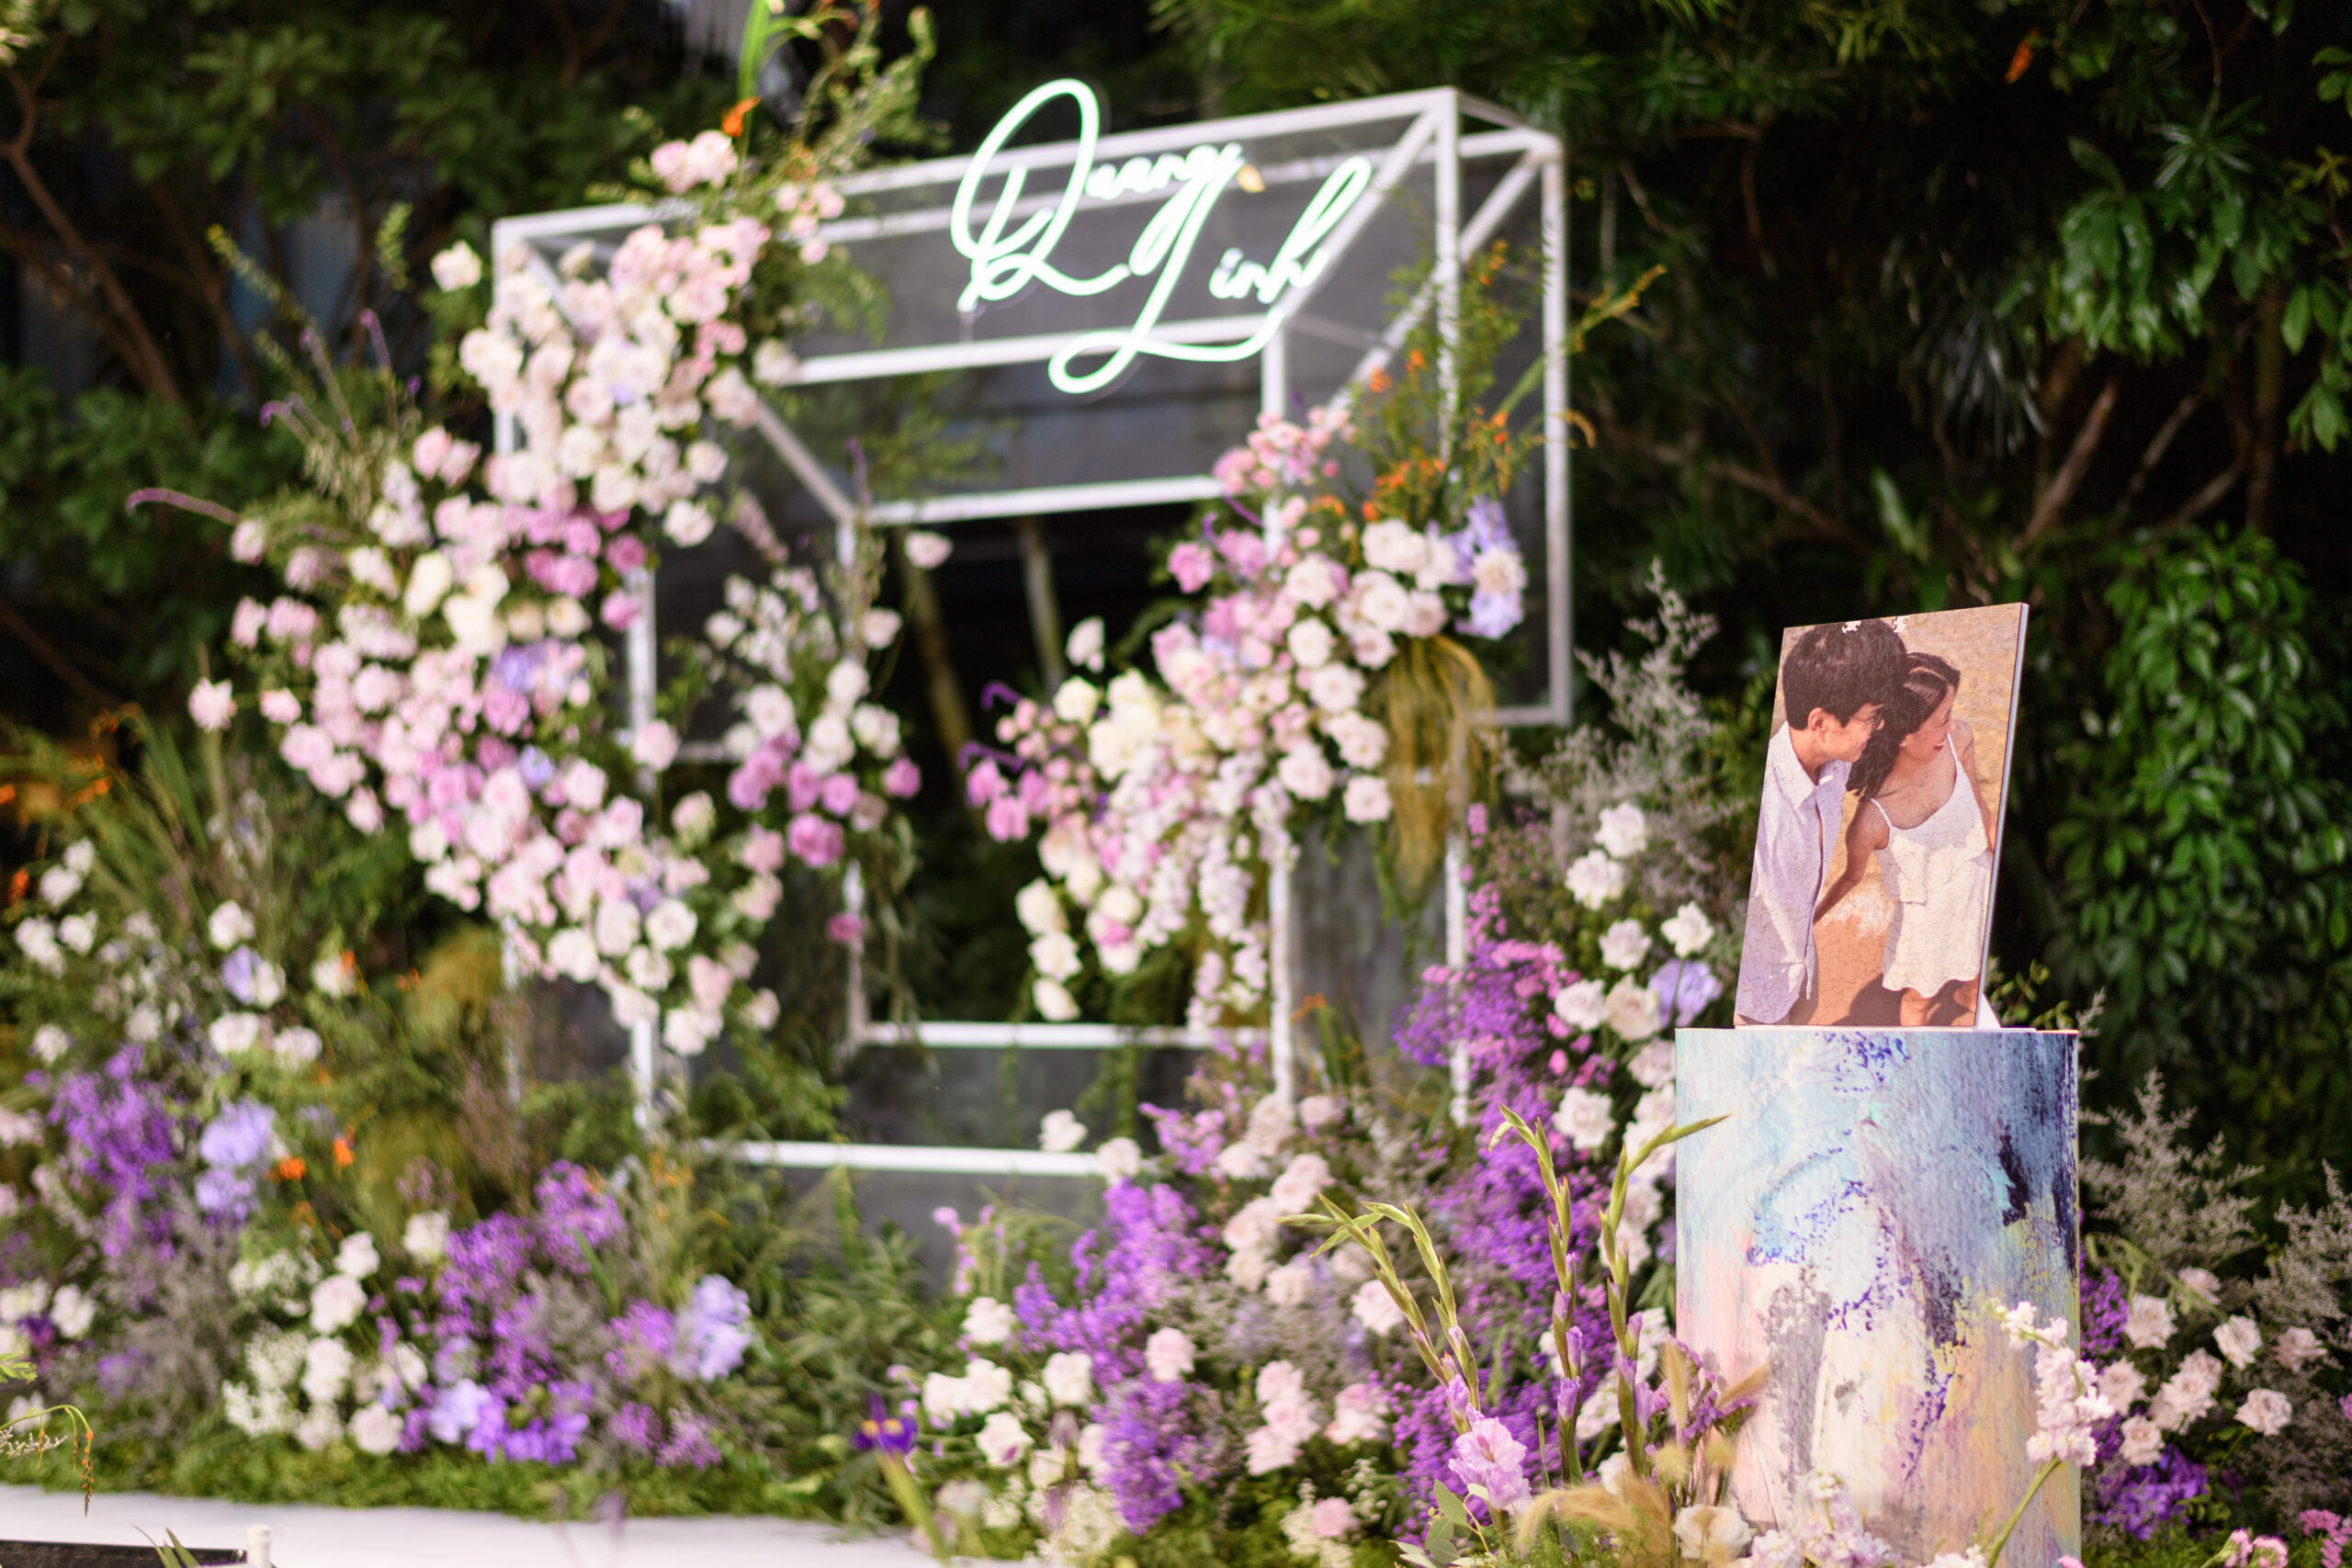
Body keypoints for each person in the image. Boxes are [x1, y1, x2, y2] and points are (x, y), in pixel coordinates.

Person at [1735, 619, 1906, 1025]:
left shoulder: (1836, 760)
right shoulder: (1762, 805)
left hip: (1802, 978)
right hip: (1752, 1001)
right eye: (1872, 718)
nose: (1879, 726)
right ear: (1820, 722)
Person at [1815, 651, 1996, 1025]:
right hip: (1924, 921)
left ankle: (1968, 994)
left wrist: (1996, 849)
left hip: (1975, 882)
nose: (1952, 726)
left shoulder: (1959, 739)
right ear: (1903, 734)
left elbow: (1979, 804)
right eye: (1942, 719)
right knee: (1918, 999)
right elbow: (1850, 878)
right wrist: (1807, 923)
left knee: (1976, 959)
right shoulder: (1872, 821)